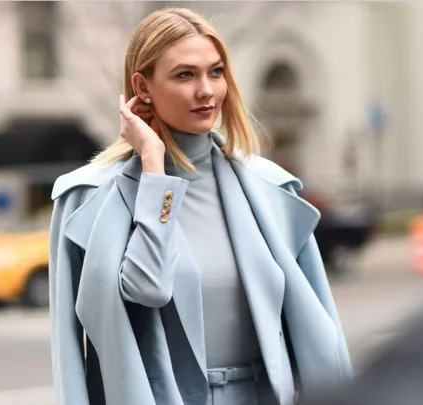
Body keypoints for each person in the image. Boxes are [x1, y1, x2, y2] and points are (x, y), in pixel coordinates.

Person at [49, 7, 352, 405]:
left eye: (215, 71)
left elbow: (320, 329)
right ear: (142, 86)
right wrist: (154, 167)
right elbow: (147, 287)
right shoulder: (85, 199)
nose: (206, 90)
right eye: (185, 75)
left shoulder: (270, 190)